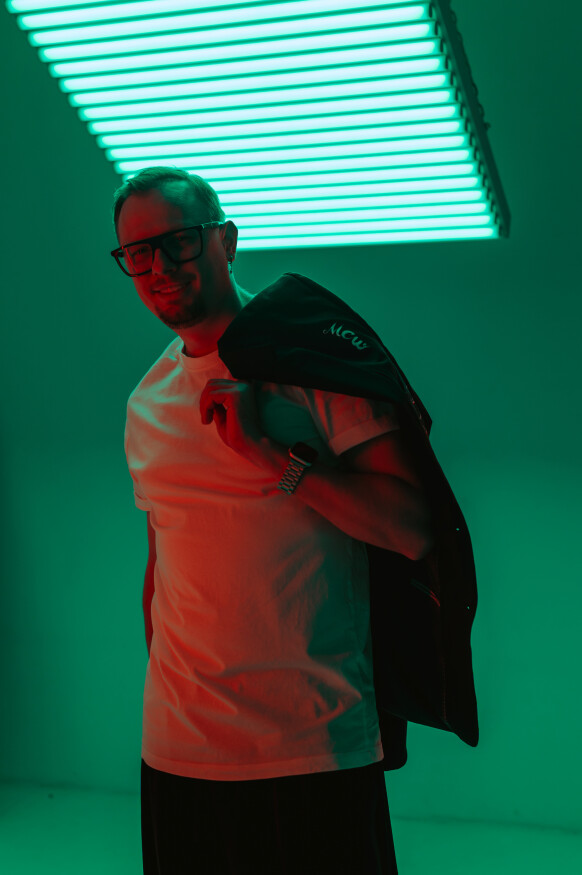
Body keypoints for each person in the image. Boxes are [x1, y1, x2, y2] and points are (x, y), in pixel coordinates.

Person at [115, 166, 436, 875]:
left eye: (180, 240)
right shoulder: (145, 404)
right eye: (138, 252)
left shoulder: (315, 363)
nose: (160, 266)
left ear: (227, 241)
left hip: (311, 743)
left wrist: (272, 456)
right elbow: (162, 565)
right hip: (179, 750)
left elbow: (413, 527)